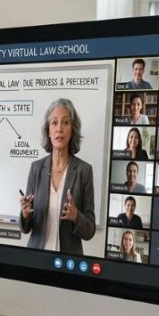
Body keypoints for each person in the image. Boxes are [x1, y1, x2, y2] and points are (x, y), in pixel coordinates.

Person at [19, 98, 96, 255]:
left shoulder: (84, 171)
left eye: (65, 123)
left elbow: (90, 230)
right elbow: (25, 228)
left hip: (67, 265)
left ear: (72, 129)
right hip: (36, 260)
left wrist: (76, 216)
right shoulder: (36, 169)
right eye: (54, 123)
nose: (59, 129)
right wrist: (25, 214)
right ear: (48, 130)